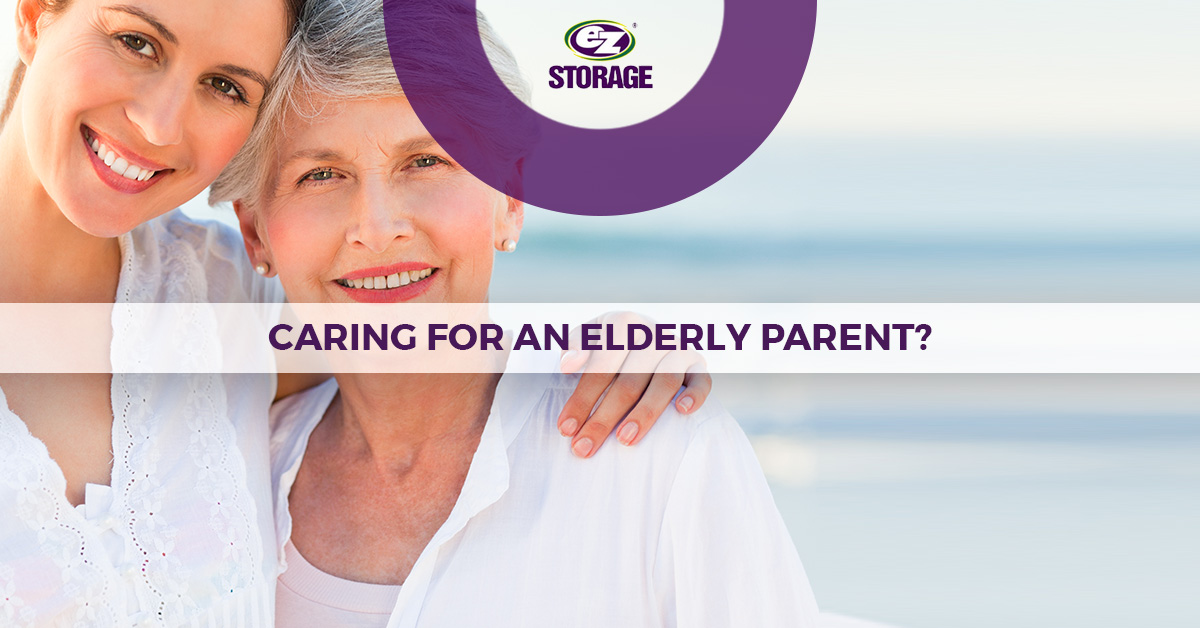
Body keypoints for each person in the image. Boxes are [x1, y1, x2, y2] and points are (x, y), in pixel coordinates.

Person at [0, 0, 709, 624]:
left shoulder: (225, 306)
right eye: (136, 42)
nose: (158, 126)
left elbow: (423, 327)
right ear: (33, 14)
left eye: (226, 86)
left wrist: (625, 347)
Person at [215, 1, 819, 625]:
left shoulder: (663, 457)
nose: (378, 227)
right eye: (320, 175)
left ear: (510, 199)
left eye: (426, 161)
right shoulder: (225, 468)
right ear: (256, 233)